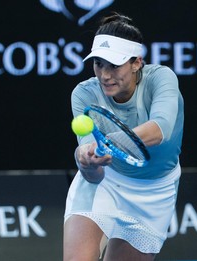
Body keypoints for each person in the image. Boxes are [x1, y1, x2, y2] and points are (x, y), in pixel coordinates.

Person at [64, 12, 184, 261]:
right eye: (98, 64)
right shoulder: (84, 94)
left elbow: (160, 129)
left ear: (136, 62)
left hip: (154, 191)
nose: (105, 75)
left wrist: (106, 144)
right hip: (105, 182)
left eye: (114, 65)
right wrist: (86, 161)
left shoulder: (161, 78)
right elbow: (93, 174)